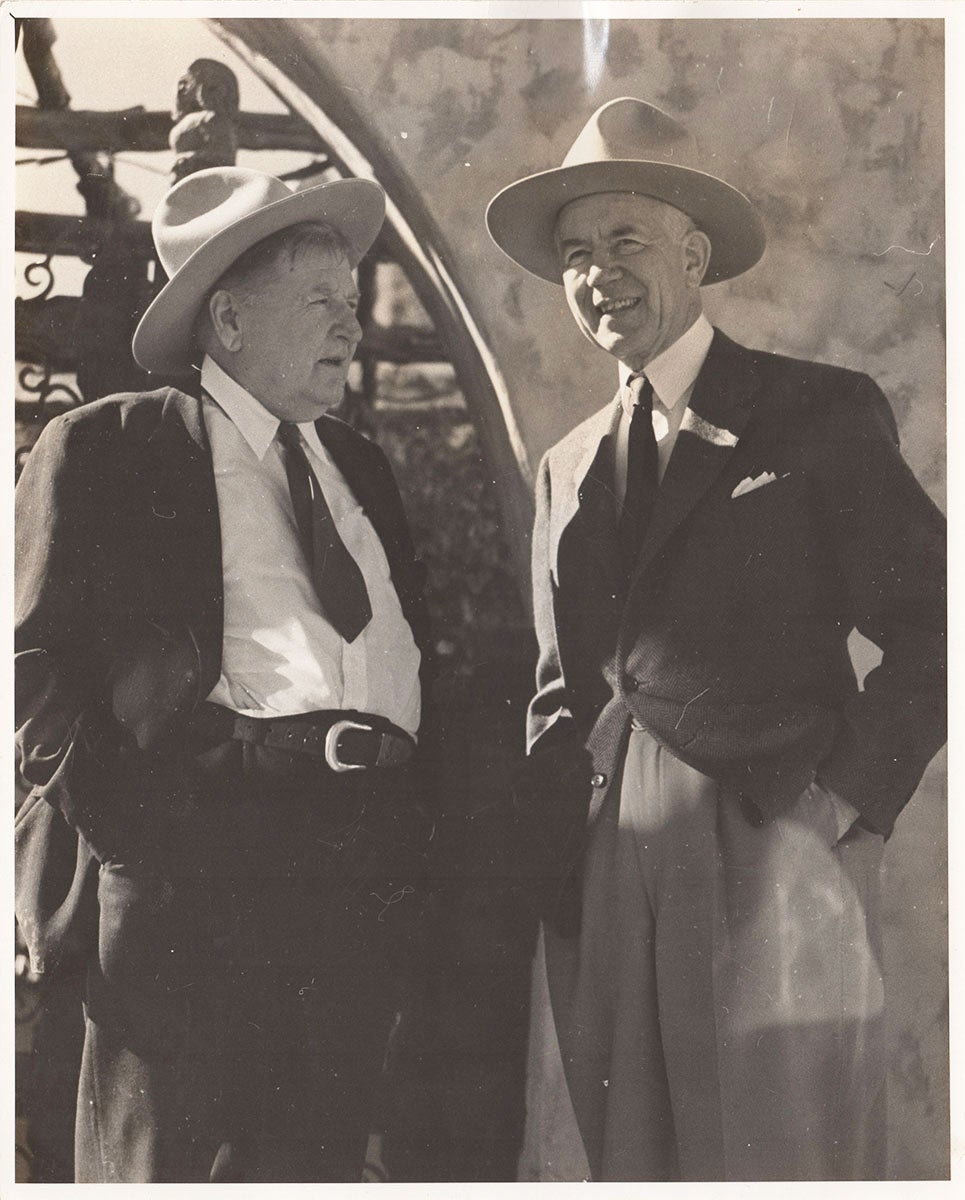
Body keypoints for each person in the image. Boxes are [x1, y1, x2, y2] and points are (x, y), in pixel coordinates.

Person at [486, 97, 946, 1181]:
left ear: (693, 255)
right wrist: (556, 843)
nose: (596, 275)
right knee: (624, 1162)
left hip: (769, 840)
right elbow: (559, 688)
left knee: (774, 1153)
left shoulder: (812, 414)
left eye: (625, 243)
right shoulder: (563, 464)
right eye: (575, 255)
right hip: (603, 869)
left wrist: (841, 801)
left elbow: (941, 620)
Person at [15, 167, 433, 1182]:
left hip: (351, 867)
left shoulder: (357, 466)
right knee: (176, 1162)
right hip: (195, 868)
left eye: (352, 298)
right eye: (321, 302)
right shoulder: (109, 448)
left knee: (315, 1162)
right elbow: (31, 668)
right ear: (231, 322)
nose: (351, 326)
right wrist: (138, 841)